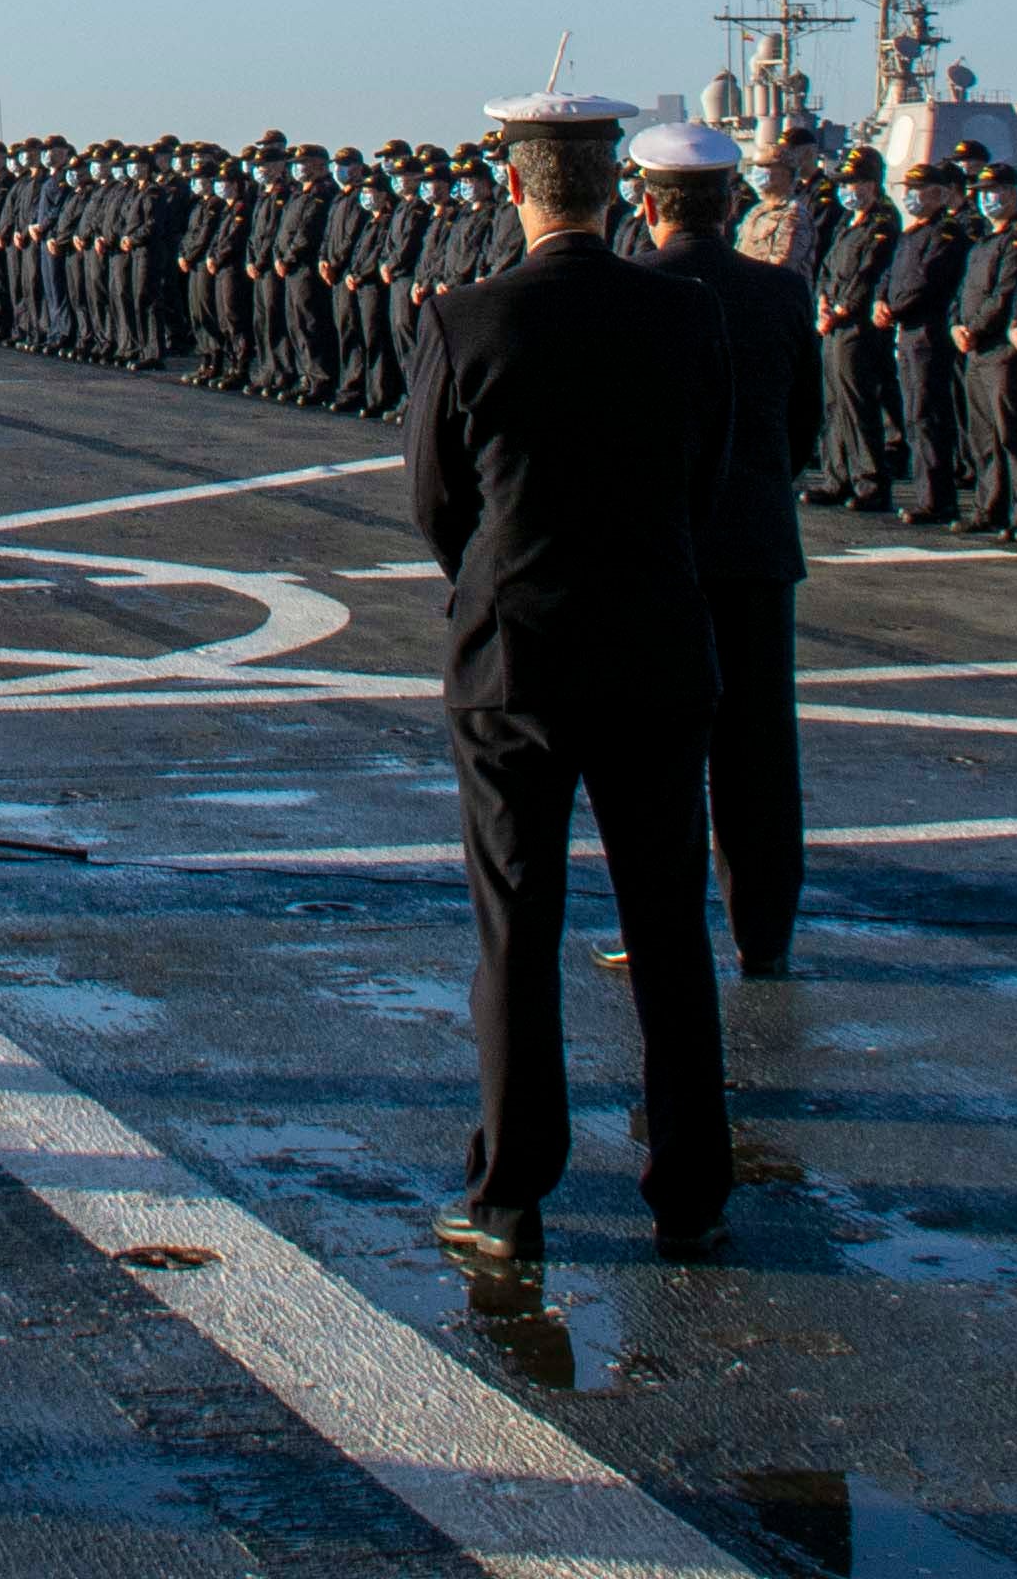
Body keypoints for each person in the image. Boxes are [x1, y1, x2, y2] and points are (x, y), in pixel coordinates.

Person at [410, 83, 733, 1271]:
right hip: (656, 645)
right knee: (668, 928)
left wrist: (499, 576)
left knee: (518, 929)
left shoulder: (467, 318)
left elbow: (438, 505)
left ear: (513, 187)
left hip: (518, 658)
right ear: (615, 192)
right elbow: (708, 477)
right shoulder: (686, 316)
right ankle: (693, 1190)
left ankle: (510, 1194)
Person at [644, 124, 823, 976]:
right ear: (730, 205)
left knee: (655, 753)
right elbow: (803, 432)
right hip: (755, 547)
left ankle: (659, 929)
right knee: (758, 752)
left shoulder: (629, 289)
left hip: (655, 553)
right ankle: (766, 933)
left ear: (647, 205)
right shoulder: (782, 295)